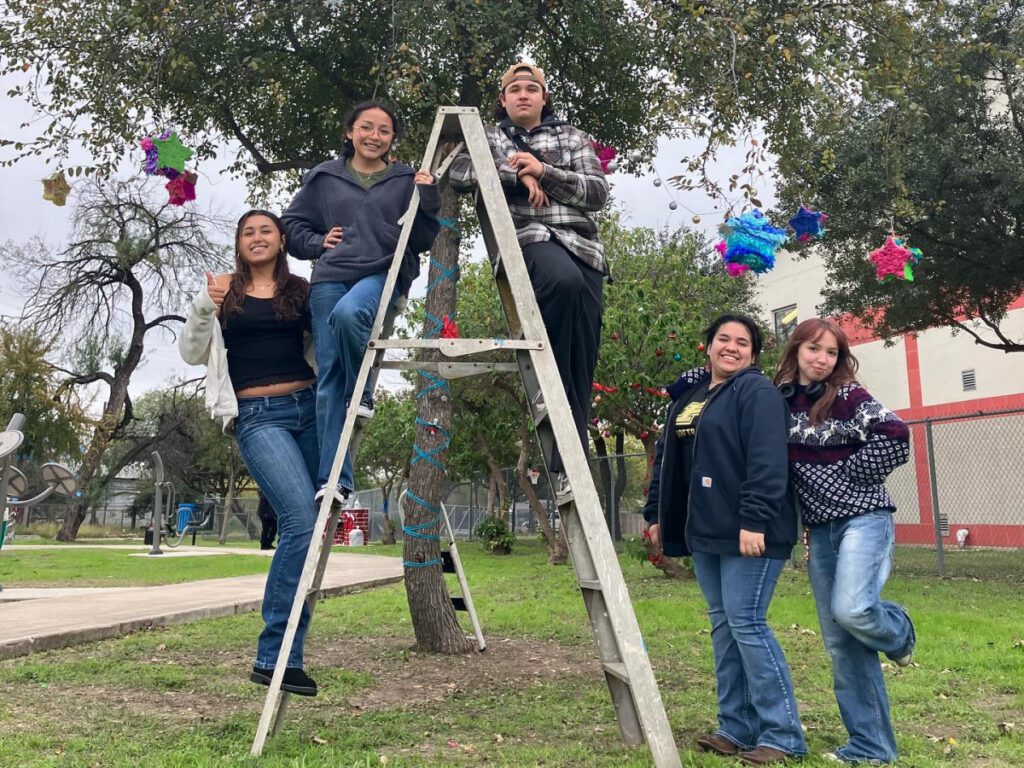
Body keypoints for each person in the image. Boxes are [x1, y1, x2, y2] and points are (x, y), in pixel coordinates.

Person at [642, 313, 807, 766]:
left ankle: (784, 734)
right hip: (708, 533)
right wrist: (656, 513)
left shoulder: (756, 393)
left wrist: (753, 520)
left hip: (752, 532)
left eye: (742, 342)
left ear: (753, 354)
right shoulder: (691, 397)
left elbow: (768, 461)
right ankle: (735, 728)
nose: (731, 347)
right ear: (708, 346)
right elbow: (667, 461)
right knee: (725, 626)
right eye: (723, 339)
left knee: (747, 623)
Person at [180, 209, 320, 697]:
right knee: (299, 520)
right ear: (239, 244)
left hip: (311, 410)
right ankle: (273, 655)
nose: (257, 238)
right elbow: (191, 352)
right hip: (259, 417)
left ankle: (287, 655)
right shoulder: (224, 292)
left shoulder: (300, 290)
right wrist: (203, 304)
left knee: (316, 528)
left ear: (282, 240)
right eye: (247, 233)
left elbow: (329, 339)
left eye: (265, 231)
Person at [449, 61, 609, 483]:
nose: (523, 94)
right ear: (503, 100)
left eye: (531, 89)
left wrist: (544, 171)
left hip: (583, 246)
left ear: (544, 97)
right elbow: (461, 172)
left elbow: (596, 192)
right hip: (529, 237)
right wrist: (518, 175)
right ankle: (557, 422)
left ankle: (566, 452)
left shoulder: (572, 137)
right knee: (562, 282)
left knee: (582, 353)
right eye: (514, 89)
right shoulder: (488, 136)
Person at [282, 101, 441, 502]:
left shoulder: (406, 178)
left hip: (384, 272)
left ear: (392, 139)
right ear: (349, 132)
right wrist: (318, 242)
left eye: (384, 130)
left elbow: (423, 239)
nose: (374, 136)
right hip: (331, 275)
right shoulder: (324, 178)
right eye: (366, 128)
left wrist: (429, 197)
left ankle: (362, 392)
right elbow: (292, 226)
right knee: (329, 376)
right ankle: (334, 481)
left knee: (351, 315)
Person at [775, 318, 915, 764]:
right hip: (821, 529)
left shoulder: (848, 395)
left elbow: (896, 434)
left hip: (864, 519)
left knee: (853, 608)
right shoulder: (778, 398)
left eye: (831, 353)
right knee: (841, 642)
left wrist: (849, 476)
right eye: (814, 349)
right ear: (796, 350)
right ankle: (870, 747)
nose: (822, 359)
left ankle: (900, 631)